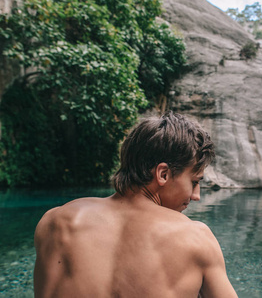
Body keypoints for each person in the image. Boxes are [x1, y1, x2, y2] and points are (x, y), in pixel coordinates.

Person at [33, 112, 238, 298]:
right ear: (163, 174)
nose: (196, 196)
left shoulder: (55, 222)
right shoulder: (196, 237)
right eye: (194, 182)